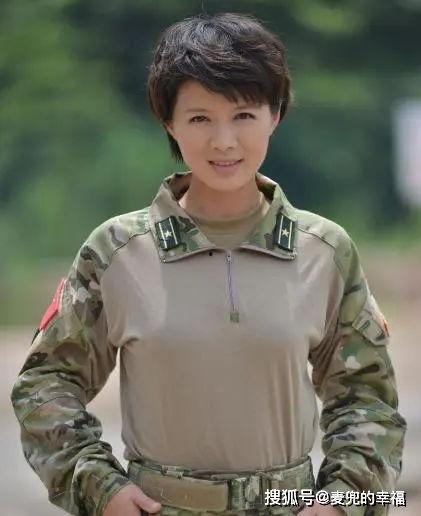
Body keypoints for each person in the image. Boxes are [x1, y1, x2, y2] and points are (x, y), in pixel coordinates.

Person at [10, 11, 406, 516]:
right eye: (200, 118)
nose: (224, 141)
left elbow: (367, 398)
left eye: (243, 115)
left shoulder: (324, 252)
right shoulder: (116, 252)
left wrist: (339, 501)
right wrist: (100, 489)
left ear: (275, 115)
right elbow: (45, 384)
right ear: (168, 122)